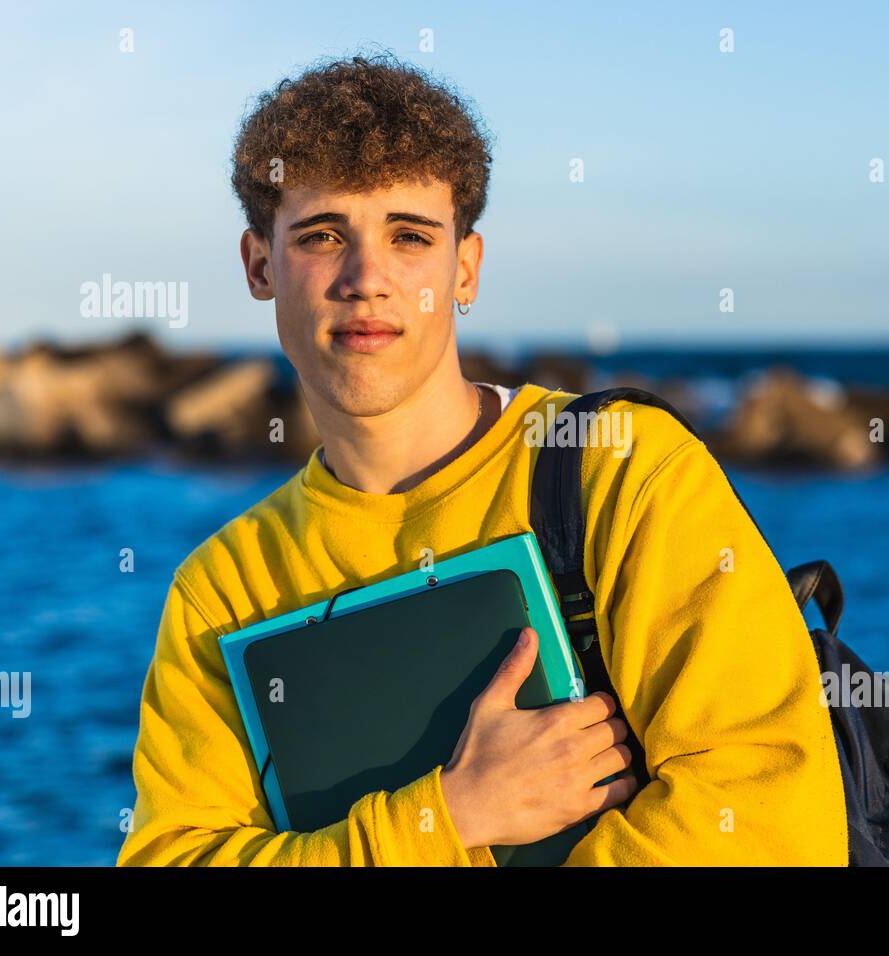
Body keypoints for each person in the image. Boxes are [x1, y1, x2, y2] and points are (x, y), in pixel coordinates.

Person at [116, 51, 847, 866]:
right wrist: (447, 817)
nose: (367, 279)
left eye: (409, 236)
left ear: (465, 268)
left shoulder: (621, 471)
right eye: (323, 236)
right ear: (259, 265)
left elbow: (768, 820)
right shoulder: (221, 591)